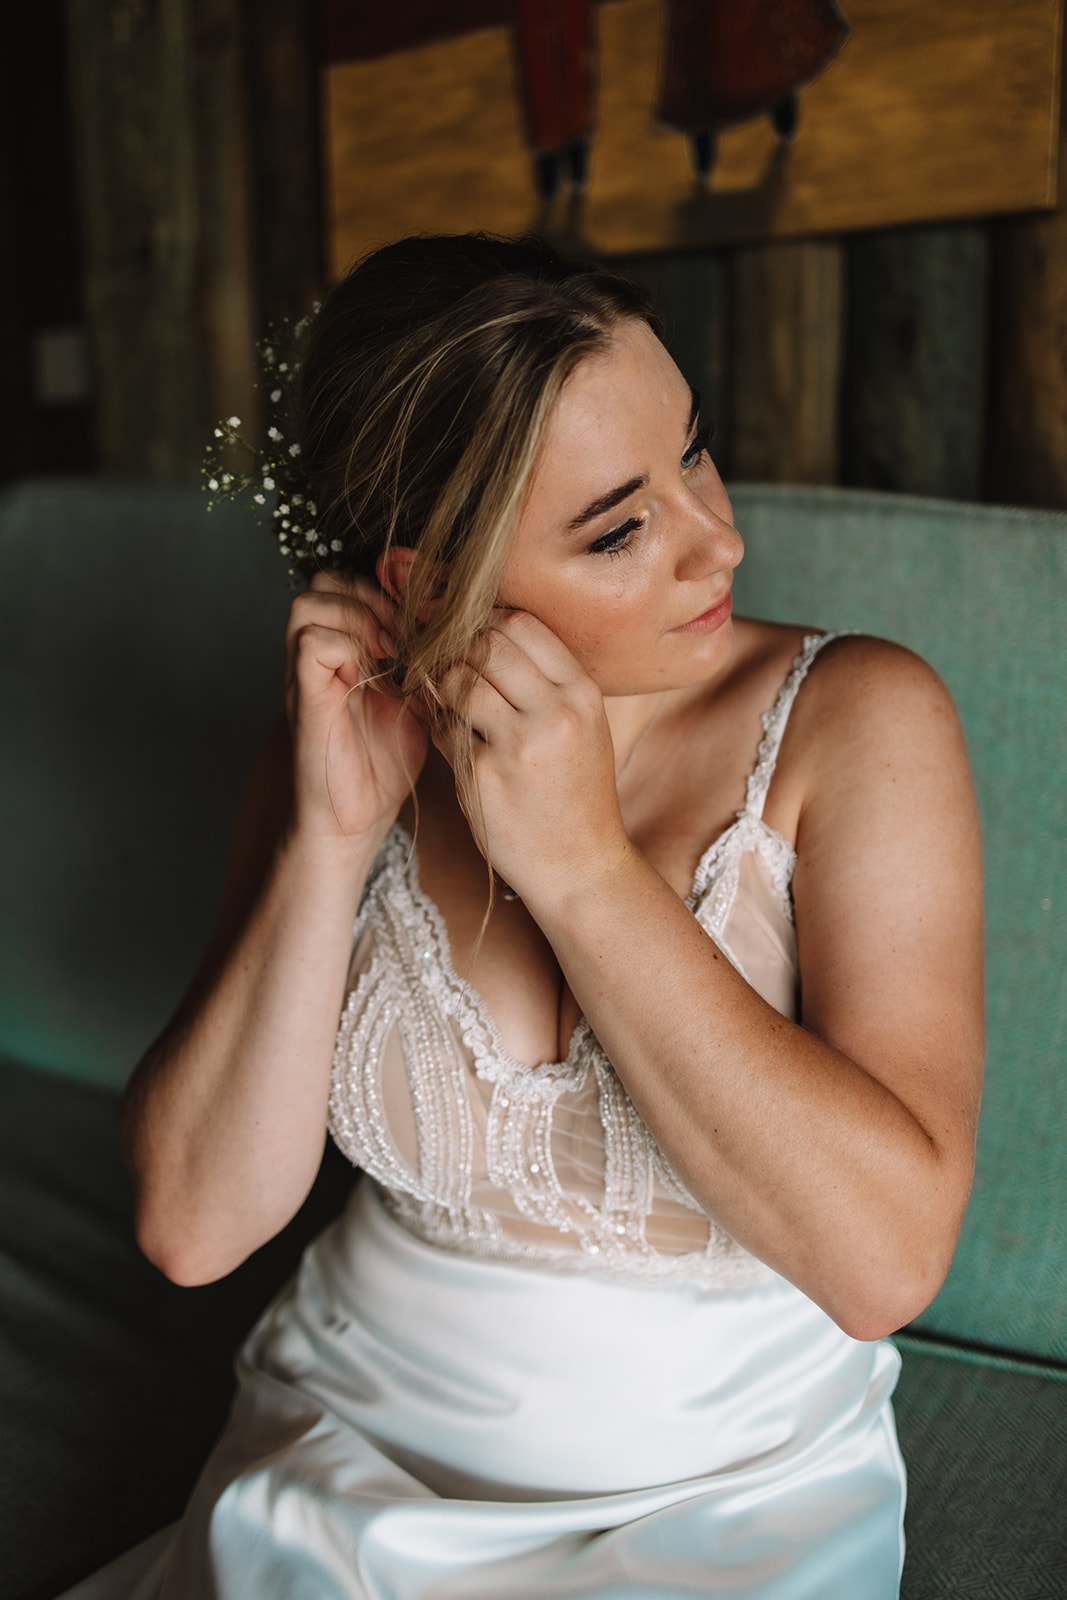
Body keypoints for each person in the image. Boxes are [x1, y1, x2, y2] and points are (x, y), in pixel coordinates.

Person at [64, 233, 984, 1599]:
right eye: (622, 527)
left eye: (696, 452)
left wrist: (585, 871)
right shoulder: (341, 751)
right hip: (346, 1459)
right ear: (428, 587)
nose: (717, 539)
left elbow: (884, 1264)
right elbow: (195, 1224)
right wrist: (331, 837)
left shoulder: (858, 723)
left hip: (730, 1495)